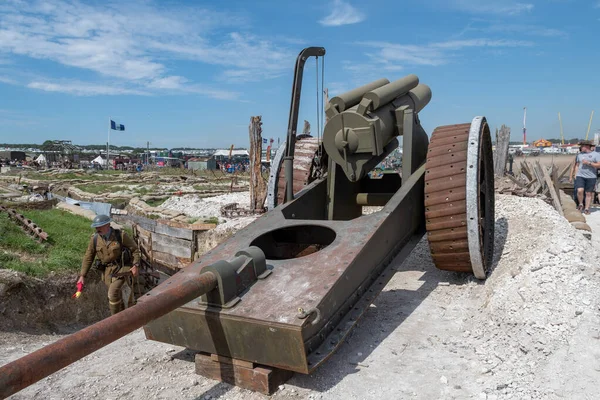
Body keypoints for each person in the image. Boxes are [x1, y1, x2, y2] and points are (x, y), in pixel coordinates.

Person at [78, 215, 141, 315]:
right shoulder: (95, 239)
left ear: (107, 225)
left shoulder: (120, 236)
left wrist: (135, 265)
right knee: (117, 295)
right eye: (96, 227)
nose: (97, 229)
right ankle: (122, 316)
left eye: (100, 226)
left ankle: (114, 319)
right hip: (107, 272)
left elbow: (135, 250)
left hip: (122, 268)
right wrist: (82, 275)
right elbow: (88, 257)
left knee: (112, 293)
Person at [570, 140, 600, 214]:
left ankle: (587, 208)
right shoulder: (579, 155)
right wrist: (575, 174)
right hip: (580, 175)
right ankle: (580, 203)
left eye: (582, 146)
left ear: (586, 146)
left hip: (591, 176)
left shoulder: (596, 154)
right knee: (580, 190)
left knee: (588, 193)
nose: (581, 148)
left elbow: (599, 165)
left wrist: (589, 163)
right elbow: (577, 165)